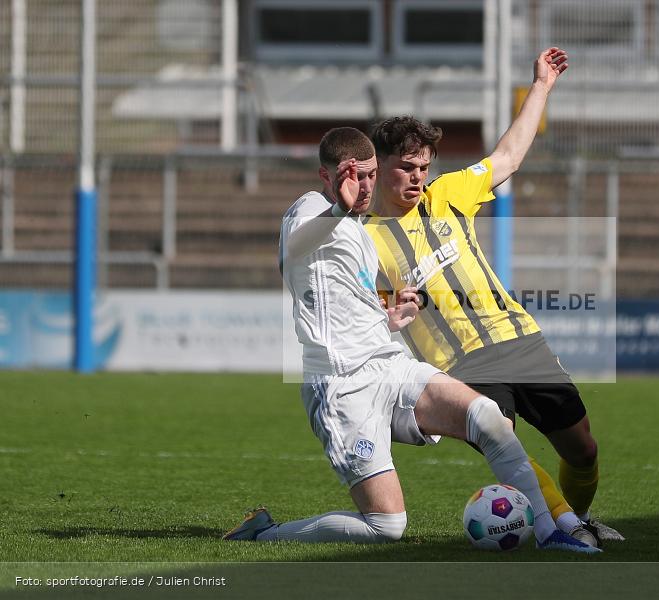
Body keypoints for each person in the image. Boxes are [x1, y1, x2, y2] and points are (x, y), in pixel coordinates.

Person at [222, 126, 597, 553]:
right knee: (387, 526)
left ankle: (552, 534)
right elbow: (295, 247)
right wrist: (336, 212)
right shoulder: (309, 210)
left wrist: (389, 318)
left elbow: (345, 304)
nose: (363, 186)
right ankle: (266, 531)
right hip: (343, 388)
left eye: (368, 175)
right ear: (328, 176)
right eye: (352, 176)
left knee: (489, 418)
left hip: (391, 366)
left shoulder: (362, 234)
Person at [365, 48, 622, 546]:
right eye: (406, 167)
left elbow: (507, 156)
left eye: (424, 166)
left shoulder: (448, 194)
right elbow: (367, 308)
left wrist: (542, 87)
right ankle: (565, 528)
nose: (418, 176)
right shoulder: (363, 237)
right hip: (458, 363)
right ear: (379, 168)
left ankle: (579, 518)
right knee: (505, 442)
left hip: (518, 337)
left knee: (583, 450)